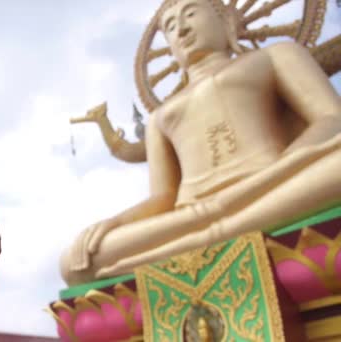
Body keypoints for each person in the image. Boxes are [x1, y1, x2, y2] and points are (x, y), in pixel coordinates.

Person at [60, 0, 341, 286]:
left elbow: (331, 120)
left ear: (227, 22)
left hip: (271, 183)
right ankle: (229, 231)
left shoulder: (277, 55)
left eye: (191, 14)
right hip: (194, 213)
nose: (181, 29)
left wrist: (283, 167)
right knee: (75, 262)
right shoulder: (160, 117)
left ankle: (199, 246)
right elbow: (163, 198)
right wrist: (116, 224)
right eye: (170, 27)